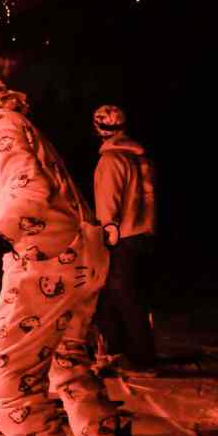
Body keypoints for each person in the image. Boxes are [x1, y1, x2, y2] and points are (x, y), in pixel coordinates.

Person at [0, 59, 135, 436]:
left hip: (49, 259)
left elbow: (31, 191)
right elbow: (30, 190)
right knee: (67, 365)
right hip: (79, 253)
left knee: (7, 382)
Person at [91, 105, 158, 373]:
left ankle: (138, 358)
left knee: (122, 296)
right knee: (134, 295)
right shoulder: (141, 158)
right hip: (144, 233)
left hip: (123, 236)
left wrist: (107, 231)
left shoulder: (111, 161)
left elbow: (109, 202)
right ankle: (128, 351)